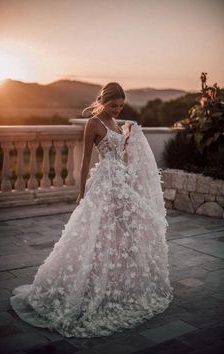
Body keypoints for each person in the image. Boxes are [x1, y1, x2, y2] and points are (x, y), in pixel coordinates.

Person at [10, 82, 174, 338]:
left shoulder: (118, 125)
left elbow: (123, 157)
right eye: (113, 105)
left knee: (125, 232)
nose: (117, 110)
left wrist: (130, 143)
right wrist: (81, 192)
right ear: (103, 101)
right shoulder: (94, 124)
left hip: (120, 184)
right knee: (96, 233)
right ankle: (87, 283)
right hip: (103, 185)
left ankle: (116, 282)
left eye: (120, 106)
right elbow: (86, 159)